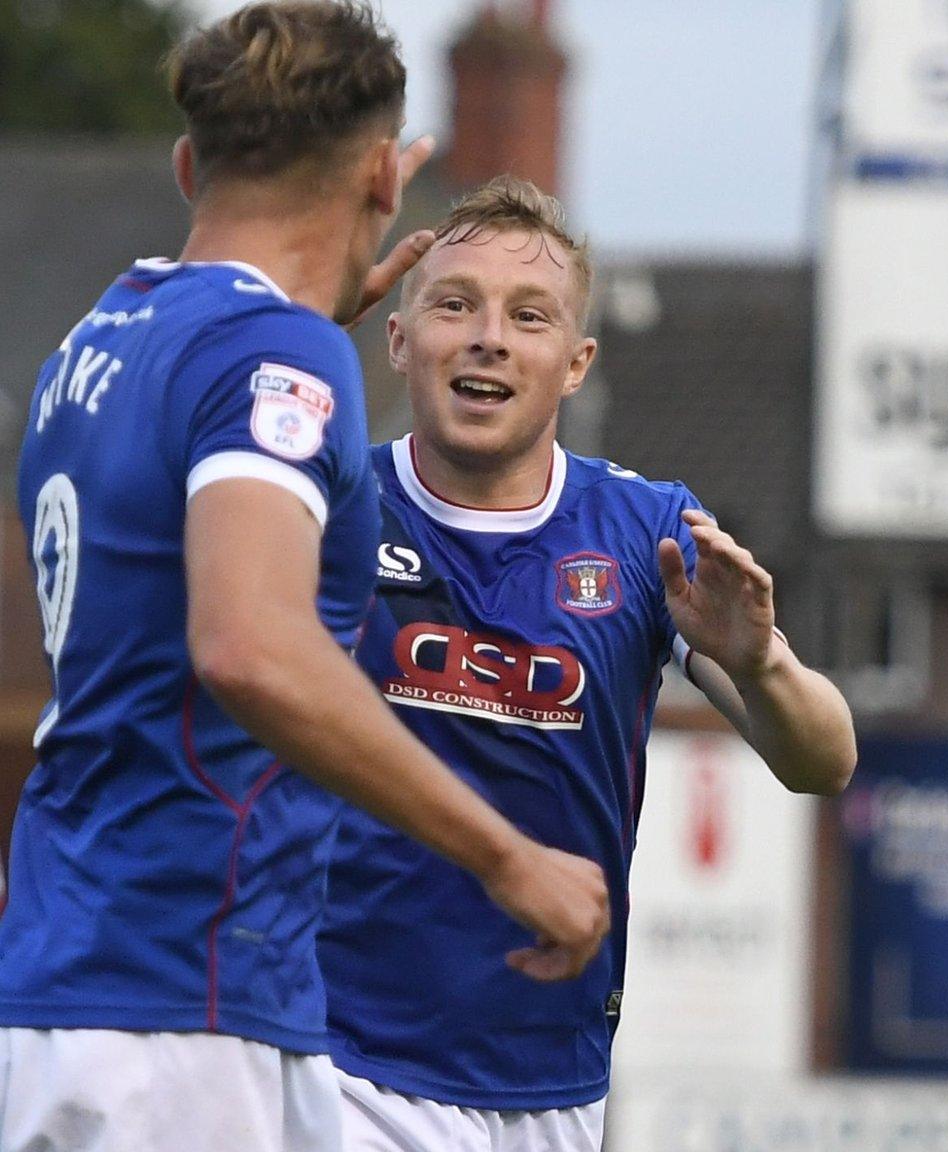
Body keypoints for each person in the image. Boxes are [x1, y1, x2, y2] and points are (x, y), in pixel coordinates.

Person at [1, 7, 609, 1151]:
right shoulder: (277, 358)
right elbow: (249, 644)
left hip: (87, 980)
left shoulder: (99, 341)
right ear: (387, 175)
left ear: (190, 163)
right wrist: (506, 854)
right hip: (177, 1005)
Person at [317, 176, 856, 1152]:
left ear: (575, 363)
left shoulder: (646, 532)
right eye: (454, 304)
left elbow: (825, 758)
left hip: (550, 1082)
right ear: (398, 341)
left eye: (528, 317)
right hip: (333, 1061)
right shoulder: (328, 503)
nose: (488, 336)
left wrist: (762, 668)